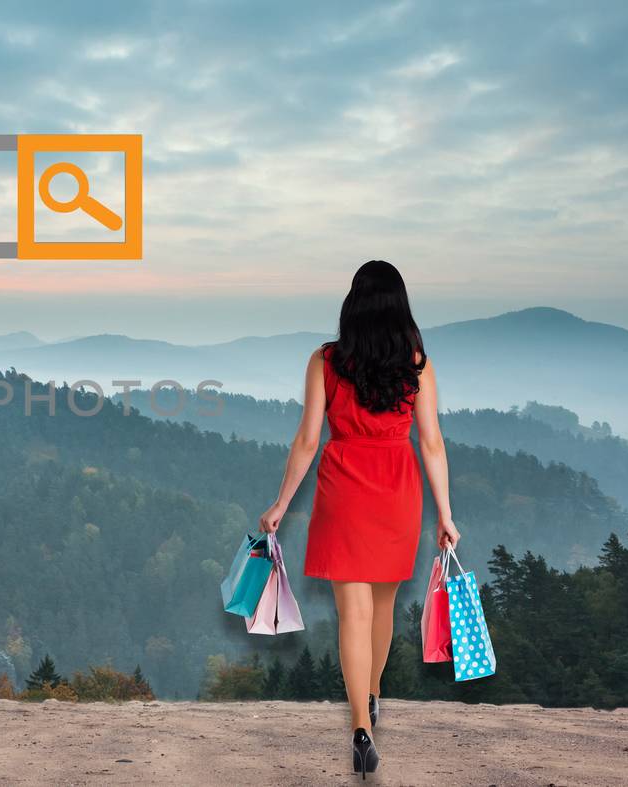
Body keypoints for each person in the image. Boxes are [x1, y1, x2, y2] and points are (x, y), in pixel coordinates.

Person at [257, 260, 460, 779]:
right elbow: (431, 443)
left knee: (354, 613)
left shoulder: (326, 360)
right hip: (397, 487)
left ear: (352, 304)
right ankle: (372, 696)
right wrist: (446, 513)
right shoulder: (416, 362)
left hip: (344, 484)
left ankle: (358, 728)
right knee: (384, 604)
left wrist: (281, 502)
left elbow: (307, 440)